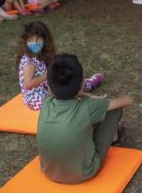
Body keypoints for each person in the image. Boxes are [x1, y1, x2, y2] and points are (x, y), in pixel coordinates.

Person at [37, 53, 133, 184]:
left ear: (49, 84)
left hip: (49, 171)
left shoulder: (46, 102)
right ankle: (114, 138)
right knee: (114, 109)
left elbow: (53, 92)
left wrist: (85, 95)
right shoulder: (89, 107)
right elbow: (127, 101)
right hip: (84, 173)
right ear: (82, 83)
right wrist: (94, 98)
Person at [16, 21, 105, 111]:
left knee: (66, 84)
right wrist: (47, 74)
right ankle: (88, 95)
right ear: (25, 41)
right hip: (37, 99)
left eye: (38, 39)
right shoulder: (29, 62)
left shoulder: (39, 55)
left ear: (45, 39)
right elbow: (27, 84)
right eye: (30, 40)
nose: (34, 43)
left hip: (44, 88)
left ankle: (87, 84)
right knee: (64, 92)